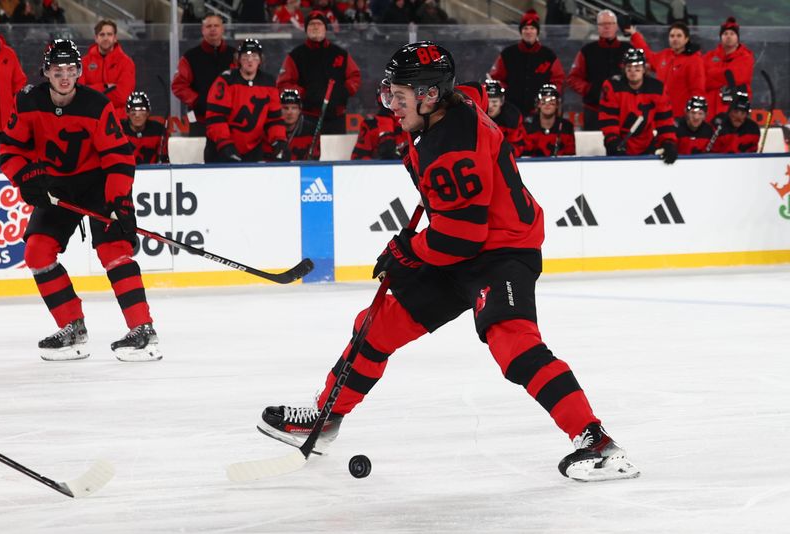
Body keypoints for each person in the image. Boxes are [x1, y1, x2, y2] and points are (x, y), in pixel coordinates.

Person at [257, 41, 640, 483]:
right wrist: (420, 242)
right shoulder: (457, 103)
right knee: (375, 323)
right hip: (461, 246)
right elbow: (472, 100)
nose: (391, 106)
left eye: (399, 97)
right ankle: (326, 419)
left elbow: (463, 235)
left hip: (501, 250)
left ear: (430, 96)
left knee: (511, 342)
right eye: (390, 95)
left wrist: (407, 252)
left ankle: (598, 443)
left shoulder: (452, 148)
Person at [0, 39, 161, 362]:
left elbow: (119, 157)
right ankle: (72, 327)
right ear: (46, 71)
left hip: (97, 183)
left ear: (79, 72)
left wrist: (120, 201)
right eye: (57, 71)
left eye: (71, 70)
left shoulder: (96, 105)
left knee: (114, 250)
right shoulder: (28, 101)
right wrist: (26, 178)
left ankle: (143, 330)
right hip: (55, 186)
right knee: (36, 251)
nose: (64, 77)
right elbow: (10, 150)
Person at [277, 11, 361, 135]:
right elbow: (283, 83)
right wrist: (305, 94)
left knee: (336, 154)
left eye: (319, 24)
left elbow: (355, 76)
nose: (315, 27)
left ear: (325, 28)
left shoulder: (340, 54)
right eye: (311, 24)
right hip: (307, 117)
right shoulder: (296, 55)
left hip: (336, 118)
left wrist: (343, 91)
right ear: (306, 29)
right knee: (307, 153)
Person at [205, 39, 287, 163]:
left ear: (260, 60)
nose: (250, 60)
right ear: (238, 59)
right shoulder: (226, 80)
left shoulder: (269, 82)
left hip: (253, 150)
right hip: (221, 149)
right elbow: (216, 117)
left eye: (254, 56)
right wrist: (225, 144)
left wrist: (279, 141)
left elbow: (274, 119)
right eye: (245, 56)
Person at [599, 48, 677, 163]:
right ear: (624, 69)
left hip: (647, 145)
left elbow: (664, 121)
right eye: (629, 67)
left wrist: (668, 142)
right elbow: (608, 119)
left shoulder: (657, 88)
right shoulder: (612, 86)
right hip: (619, 144)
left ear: (644, 69)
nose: (633, 71)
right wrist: (612, 141)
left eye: (637, 68)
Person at [488, 10, 565, 117]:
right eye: (525, 28)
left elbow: (558, 80)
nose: (529, 32)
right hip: (511, 109)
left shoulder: (548, 56)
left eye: (532, 28)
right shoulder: (508, 54)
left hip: (539, 112)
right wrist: (505, 94)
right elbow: (495, 79)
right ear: (521, 31)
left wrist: (547, 99)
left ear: (537, 31)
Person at [171, 12, 236, 137]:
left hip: (230, 119)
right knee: (198, 154)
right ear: (202, 30)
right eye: (209, 26)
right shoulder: (190, 57)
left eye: (216, 26)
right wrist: (198, 101)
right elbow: (178, 86)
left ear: (222, 29)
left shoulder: (234, 55)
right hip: (199, 119)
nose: (213, 29)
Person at [567, 9, 632, 130]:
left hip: (623, 110)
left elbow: (641, 75)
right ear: (598, 27)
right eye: (603, 24)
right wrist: (589, 89)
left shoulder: (628, 49)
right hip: (594, 110)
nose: (607, 27)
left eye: (610, 23)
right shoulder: (587, 51)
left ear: (616, 26)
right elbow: (573, 78)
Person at [624, 22, 705, 119]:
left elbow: (697, 89)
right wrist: (634, 35)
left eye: (679, 36)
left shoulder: (694, 60)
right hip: (661, 113)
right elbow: (648, 56)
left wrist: (694, 112)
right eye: (672, 36)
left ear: (686, 39)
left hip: (681, 116)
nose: (675, 39)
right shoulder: (665, 55)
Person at [79, 20, 136, 120]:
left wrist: (92, 91)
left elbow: (123, 96)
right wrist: (105, 86)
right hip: (91, 119)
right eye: (102, 34)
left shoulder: (126, 63)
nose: (106, 38)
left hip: (118, 121)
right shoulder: (84, 62)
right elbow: (80, 94)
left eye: (109, 34)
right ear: (96, 38)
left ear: (115, 38)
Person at [0, 16, 27, 167]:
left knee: (5, 166)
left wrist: (16, 110)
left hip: (5, 124)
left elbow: (20, 83)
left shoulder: (9, 54)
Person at [703, 17, 754, 119]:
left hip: (736, 107)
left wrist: (713, 73)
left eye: (732, 34)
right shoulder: (709, 57)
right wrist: (726, 75)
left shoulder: (746, 57)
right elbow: (703, 80)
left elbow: (738, 78)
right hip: (711, 108)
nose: (728, 37)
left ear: (737, 37)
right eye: (725, 34)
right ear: (721, 37)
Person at [523, 83, 576, 157]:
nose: (547, 104)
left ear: (557, 104)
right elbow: (524, 156)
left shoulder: (566, 127)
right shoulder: (527, 127)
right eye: (543, 100)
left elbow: (571, 157)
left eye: (552, 101)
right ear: (538, 104)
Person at [351, 89, 402, 160]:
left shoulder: (412, 122)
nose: (392, 100)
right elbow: (358, 158)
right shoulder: (371, 124)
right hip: (381, 169)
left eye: (395, 96)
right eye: (389, 96)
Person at [121, 91, 169, 165]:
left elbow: (164, 161)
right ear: (127, 113)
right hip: (126, 174)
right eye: (133, 110)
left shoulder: (158, 130)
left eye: (142, 110)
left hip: (152, 173)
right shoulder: (120, 130)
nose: (137, 115)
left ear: (148, 113)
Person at [484, 79, 527, 157]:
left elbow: (517, 147)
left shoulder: (512, 117)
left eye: (494, 102)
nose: (490, 106)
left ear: (502, 101)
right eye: (487, 101)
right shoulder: (475, 115)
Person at [278, 89, 319, 160]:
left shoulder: (311, 131)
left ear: (300, 110)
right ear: (279, 109)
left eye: (294, 108)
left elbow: (315, 159)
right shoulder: (271, 130)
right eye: (285, 108)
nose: (289, 112)